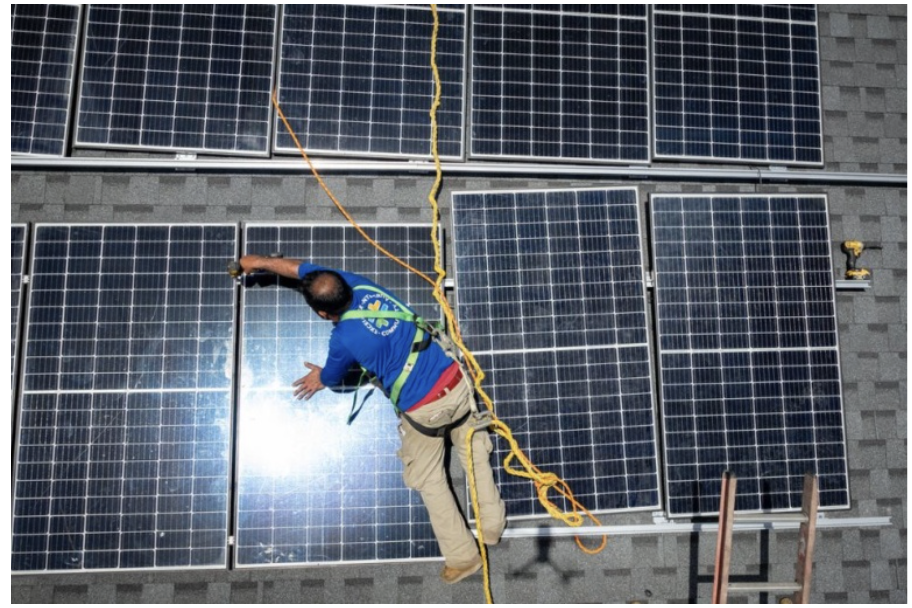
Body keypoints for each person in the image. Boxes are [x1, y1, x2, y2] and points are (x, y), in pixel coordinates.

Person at [238, 254, 506, 584]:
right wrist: (257, 261)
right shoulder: (357, 282)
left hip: (425, 409)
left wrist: (320, 377)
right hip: (457, 382)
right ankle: (492, 526)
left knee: (429, 478)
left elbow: (332, 379)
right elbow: (296, 268)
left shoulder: (343, 339)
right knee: (474, 454)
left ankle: (464, 557)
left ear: (323, 314)